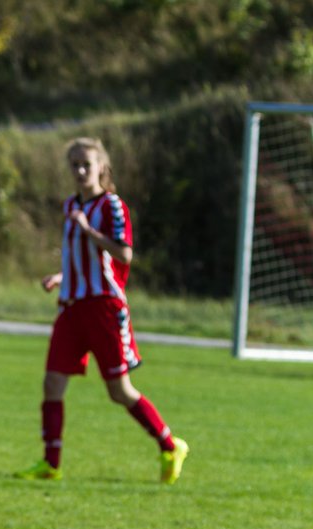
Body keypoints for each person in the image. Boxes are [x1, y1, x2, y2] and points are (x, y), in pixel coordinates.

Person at [16, 137, 188, 484]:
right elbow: (81, 257)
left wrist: (88, 230)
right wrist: (61, 276)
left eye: (86, 164)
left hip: (104, 307)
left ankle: (170, 445)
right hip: (72, 306)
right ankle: (51, 464)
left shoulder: (111, 207)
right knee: (52, 384)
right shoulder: (70, 205)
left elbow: (123, 255)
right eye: (74, 164)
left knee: (119, 391)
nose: (80, 171)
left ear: (101, 168)